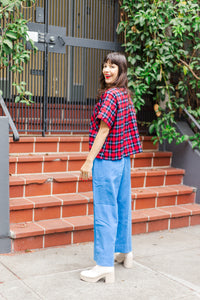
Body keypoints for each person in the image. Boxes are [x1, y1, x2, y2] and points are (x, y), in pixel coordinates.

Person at [80, 52, 142, 283]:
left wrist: (88, 160)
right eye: (105, 66)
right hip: (123, 160)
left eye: (113, 67)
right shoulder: (125, 94)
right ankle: (126, 252)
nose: (107, 70)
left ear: (121, 70)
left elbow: (104, 130)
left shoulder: (110, 96)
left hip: (107, 160)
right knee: (122, 206)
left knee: (105, 211)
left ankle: (104, 264)